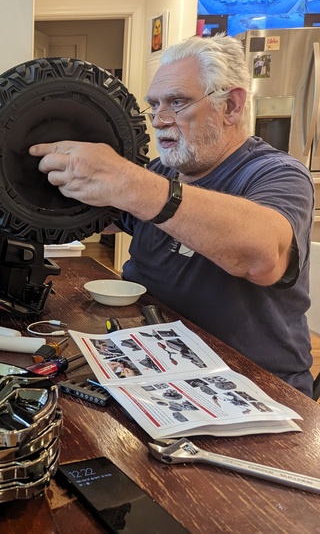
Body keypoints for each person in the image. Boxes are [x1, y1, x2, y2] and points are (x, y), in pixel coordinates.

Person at [29, 34, 314, 396]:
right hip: (157, 365)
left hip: (252, 385)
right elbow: (81, 219)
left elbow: (262, 257)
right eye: (154, 105)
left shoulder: (276, 174)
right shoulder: (161, 173)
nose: (160, 120)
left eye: (177, 102)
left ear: (231, 106)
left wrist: (131, 184)